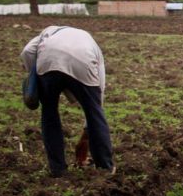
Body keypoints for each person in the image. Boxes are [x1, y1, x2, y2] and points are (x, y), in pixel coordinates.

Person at [20, 26, 114, 177]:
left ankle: (57, 169)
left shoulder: (48, 31)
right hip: (83, 61)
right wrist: (86, 132)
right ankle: (105, 167)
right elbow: (99, 92)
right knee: (94, 112)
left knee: (49, 113)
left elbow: (27, 52)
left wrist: (35, 79)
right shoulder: (91, 43)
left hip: (48, 60)